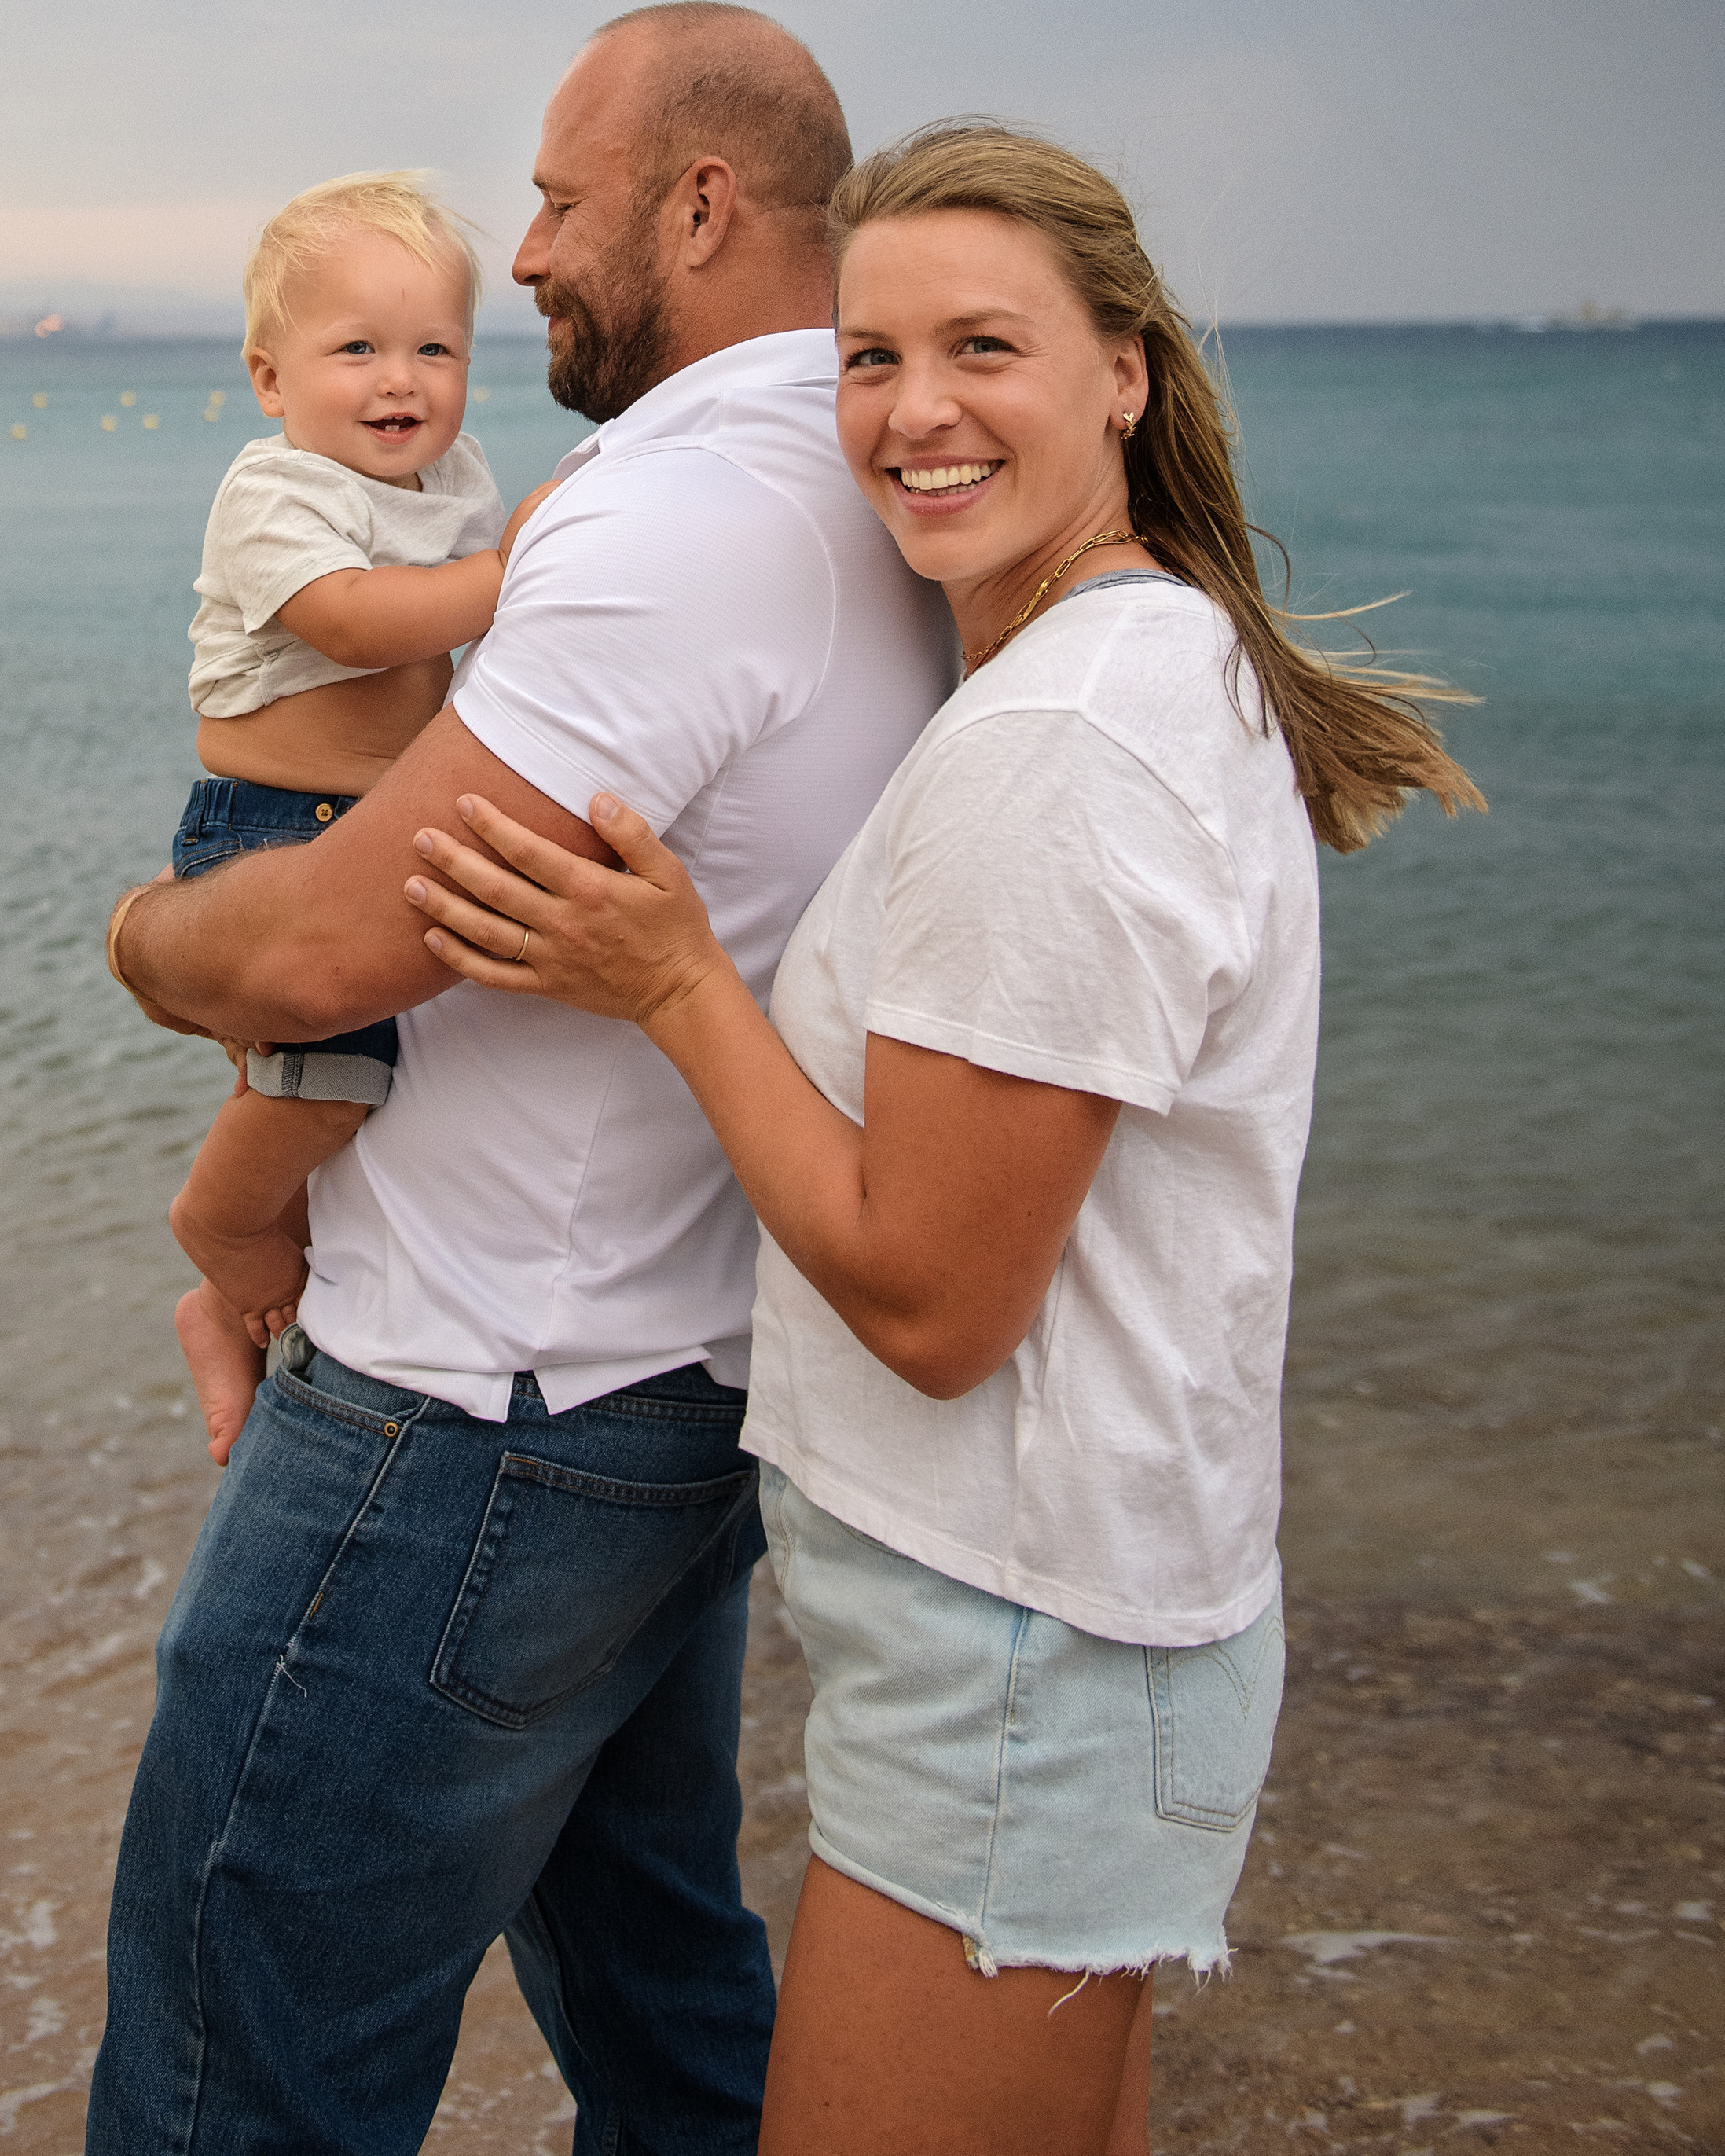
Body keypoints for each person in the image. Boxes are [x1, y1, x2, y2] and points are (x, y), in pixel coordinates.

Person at [406, 123, 1483, 2156]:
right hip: (1085, 1628)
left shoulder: (1061, 745)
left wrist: (675, 985)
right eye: (866, 357)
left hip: (1024, 1661)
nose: (912, 414)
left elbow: (932, 1297)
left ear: (1127, 375)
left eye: (981, 346)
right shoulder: (1148, 653)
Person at [86, 6, 956, 2156]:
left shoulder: (679, 519)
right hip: (667, 1379)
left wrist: (139, 937)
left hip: (477, 1410)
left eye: (560, 201)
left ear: (698, 203)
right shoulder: (842, 481)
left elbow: (320, 943)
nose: (537, 250)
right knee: (669, 2010)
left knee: (238, 2065)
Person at [153, 169, 552, 1467]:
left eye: (434, 348)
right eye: (358, 350)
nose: (401, 380)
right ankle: (216, 1227)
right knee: (333, 1082)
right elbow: (353, 621)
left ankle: (228, 1315)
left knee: (346, 1122)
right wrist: (507, 577)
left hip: (362, 824)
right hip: (269, 827)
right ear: (272, 380)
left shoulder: (457, 474)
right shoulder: (278, 492)